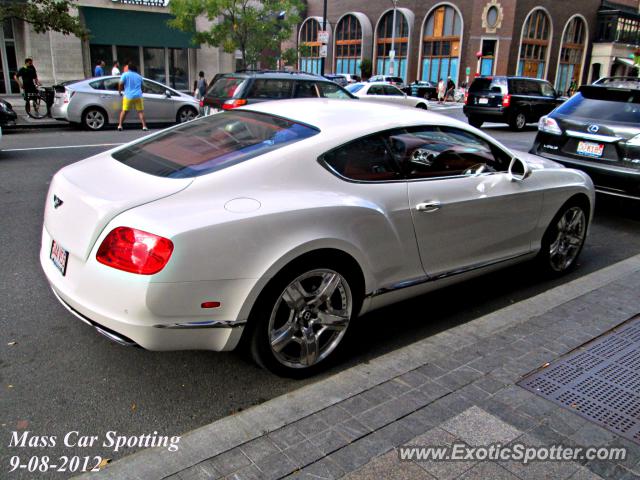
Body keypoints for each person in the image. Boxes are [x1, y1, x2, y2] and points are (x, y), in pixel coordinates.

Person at [117, 63, 147, 131]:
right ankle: (144, 126)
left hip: (128, 95)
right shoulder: (139, 76)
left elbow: (120, 83)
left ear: (129, 68)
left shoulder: (125, 74)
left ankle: (120, 125)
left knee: (124, 111)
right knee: (140, 112)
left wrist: (120, 91)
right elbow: (142, 86)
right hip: (138, 96)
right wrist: (141, 92)